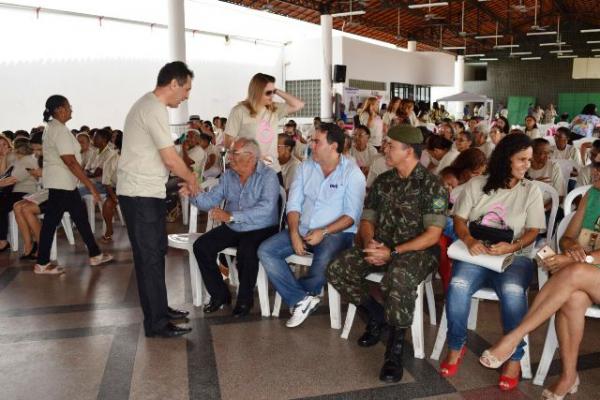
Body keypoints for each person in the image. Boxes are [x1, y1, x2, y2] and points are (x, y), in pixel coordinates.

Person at [327, 125, 448, 383]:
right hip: (382, 246)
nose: (385, 148)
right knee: (338, 268)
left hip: (418, 251)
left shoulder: (432, 184)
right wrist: (371, 243)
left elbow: (433, 235)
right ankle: (375, 314)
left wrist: (392, 253)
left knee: (399, 276)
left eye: (390, 145)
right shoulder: (383, 181)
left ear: (409, 151)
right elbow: (367, 218)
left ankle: (395, 348)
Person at [479, 160, 600, 399]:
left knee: (573, 273)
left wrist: (579, 260)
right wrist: (572, 248)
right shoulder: (591, 195)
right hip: (583, 275)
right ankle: (568, 376)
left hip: (584, 271)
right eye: (597, 165)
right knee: (572, 297)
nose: (596, 171)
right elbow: (566, 238)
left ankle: (514, 337)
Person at [440, 134, 546, 391]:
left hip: (514, 255)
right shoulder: (478, 184)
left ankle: (514, 357)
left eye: (529, 160)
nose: (527, 165)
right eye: (522, 159)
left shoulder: (530, 189)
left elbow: (533, 230)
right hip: (477, 252)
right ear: (505, 158)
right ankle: (456, 345)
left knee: (512, 292)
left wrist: (513, 246)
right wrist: (468, 240)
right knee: (459, 284)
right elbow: (460, 220)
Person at [117, 61, 199, 338]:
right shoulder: (152, 108)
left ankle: (160, 310)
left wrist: (179, 180)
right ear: (173, 83)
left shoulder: (152, 107)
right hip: (139, 195)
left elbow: (161, 159)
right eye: (186, 88)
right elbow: (170, 158)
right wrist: (191, 179)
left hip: (146, 192)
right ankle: (156, 323)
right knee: (149, 258)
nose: (187, 95)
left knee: (155, 254)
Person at [258, 123, 365, 328]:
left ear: (333, 146)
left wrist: (323, 231)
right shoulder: (305, 167)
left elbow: (351, 216)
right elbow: (294, 204)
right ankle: (302, 299)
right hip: (303, 229)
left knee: (323, 257)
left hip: (337, 233)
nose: (311, 144)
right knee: (266, 250)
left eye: (317, 141)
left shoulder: (352, 173)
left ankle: (300, 296)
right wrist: (294, 232)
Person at [182, 138, 280, 317]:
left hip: (262, 227)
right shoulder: (228, 176)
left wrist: (232, 216)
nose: (229, 158)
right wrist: (193, 193)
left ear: (250, 157)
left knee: (247, 251)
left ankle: (245, 299)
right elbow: (210, 200)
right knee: (201, 247)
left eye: (234, 154)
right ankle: (220, 295)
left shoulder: (268, 176)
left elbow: (266, 209)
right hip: (235, 226)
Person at [34, 95, 112, 274]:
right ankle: (42, 263)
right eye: (69, 106)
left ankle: (95, 254)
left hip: (63, 183)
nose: (71, 109)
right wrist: (90, 185)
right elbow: (69, 161)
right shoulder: (59, 130)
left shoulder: (53, 127)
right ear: (59, 109)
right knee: (52, 223)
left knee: (79, 218)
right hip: (62, 183)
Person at [224, 73, 304, 175]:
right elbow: (228, 142)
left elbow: (298, 105)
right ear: (257, 91)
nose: (272, 96)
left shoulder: (274, 109)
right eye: (268, 92)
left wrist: (276, 90)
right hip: (248, 171)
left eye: (273, 92)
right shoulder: (239, 111)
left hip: (272, 170)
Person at [0, 139, 39, 252]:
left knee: (1, 205)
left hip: (25, 192)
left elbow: (11, 180)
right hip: (13, 192)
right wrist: (3, 158)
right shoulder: (16, 161)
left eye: (5, 145)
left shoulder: (26, 161)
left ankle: (2, 241)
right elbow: (3, 176)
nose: (3, 148)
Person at [528, 138, 566, 204]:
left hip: (549, 208)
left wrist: (544, 210)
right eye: (543, 153)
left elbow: (560, 196)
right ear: (533, 153)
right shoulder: (525, 167)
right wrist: (534, 184)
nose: (546, 156)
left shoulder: (554, 167)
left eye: (548, 152)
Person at [100, 131, 122, 243]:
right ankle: (109, 229)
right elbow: (106, 181)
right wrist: (114, 197)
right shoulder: (112, 158)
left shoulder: (135, 156)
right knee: (108, 205)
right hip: (117, 189)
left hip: (135, 187)